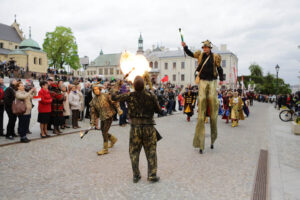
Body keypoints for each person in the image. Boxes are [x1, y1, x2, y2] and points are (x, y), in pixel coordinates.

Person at [112, 76, 162, 183]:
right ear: (144, 85)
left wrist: (117, 85)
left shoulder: (129, 95)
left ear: (133, 86)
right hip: (149, 128)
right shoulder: (151, 95)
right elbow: (159, 111)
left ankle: (136, 175)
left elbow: (114, 97)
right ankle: (152, 175)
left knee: (134, 152)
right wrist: (154, 97)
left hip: (135, 128)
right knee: (151, 152)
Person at [182, 40, 224, 154]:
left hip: (212, 82)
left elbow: (219, 68)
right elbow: (190, 54)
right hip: (203, 81)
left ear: (210, 48)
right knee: (202, 103)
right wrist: (185, 47)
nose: (204, 49)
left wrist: (222, 79)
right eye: (203, 47)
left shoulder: (215, 57)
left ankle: (212, 139)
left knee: (212, 101)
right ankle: (200, 143)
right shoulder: (200, 55)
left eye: (206, 47)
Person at [89, 84, 120, 156]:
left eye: (97, 89)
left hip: (109, 115)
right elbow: (93, 113)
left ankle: (105, 149)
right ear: (93, 91)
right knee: (103, 131)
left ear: (99, 89)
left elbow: (114, 102)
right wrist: (93, 122)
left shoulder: (106, 95)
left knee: (104, 132)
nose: (96, 91)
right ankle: (113, 139)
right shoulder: (93, 101)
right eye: (94, 90)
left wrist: (119, 109)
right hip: (102, 117)